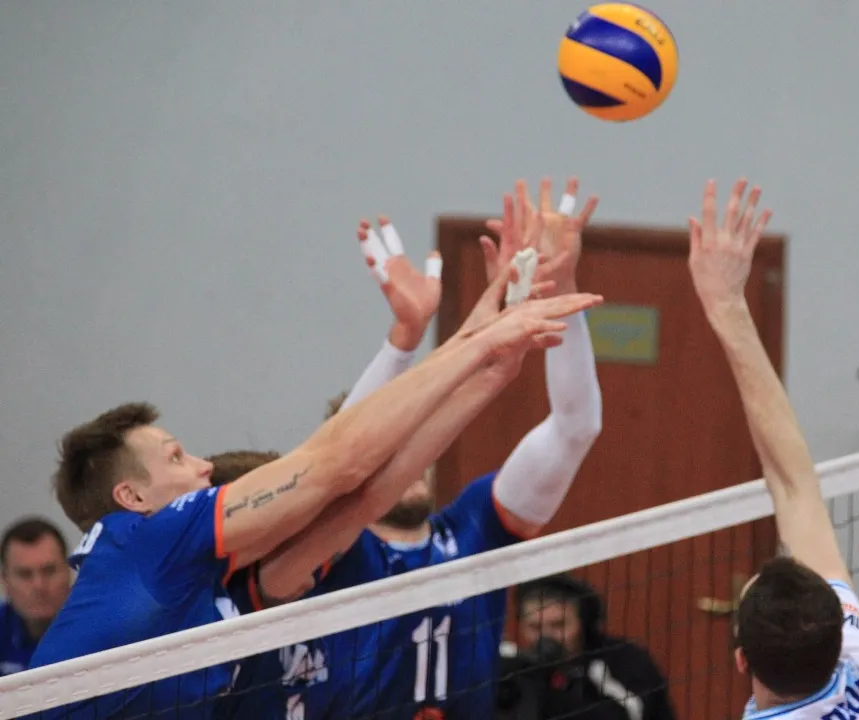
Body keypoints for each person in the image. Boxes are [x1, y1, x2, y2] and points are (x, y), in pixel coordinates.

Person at [28, 214, 601, 719]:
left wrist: (493, 366)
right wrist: (473, 343)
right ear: (132, 497)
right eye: (176, 456)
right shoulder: (146, 541)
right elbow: (335, 462)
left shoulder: (216, 590)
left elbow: (363, 498)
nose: (202, 465)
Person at [225, 178, 604, 719]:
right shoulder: (330, 546)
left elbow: (576, 427)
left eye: (415, 435)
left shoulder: (477, 526)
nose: (410, 452)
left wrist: (561, 285)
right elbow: (331, 465)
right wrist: (404, 339)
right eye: (388, 442)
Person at [687, 178, 859, 719]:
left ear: (741, 660)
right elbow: (793, 483)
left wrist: (725, 304)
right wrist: (728, 306)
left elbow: (793, 484)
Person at [498, 574, 675, 720]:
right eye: (535, 627)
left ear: (582, 624)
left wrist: (553, 694)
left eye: (559, 625)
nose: (546, 637)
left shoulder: (625, 661)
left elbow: (630, 714)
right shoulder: (516, 671)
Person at [0, 518, 72, 676]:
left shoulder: (101, 626)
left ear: (69, 571)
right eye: (25, 574)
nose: (39, 586)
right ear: (5, 580)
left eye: (49, 571)